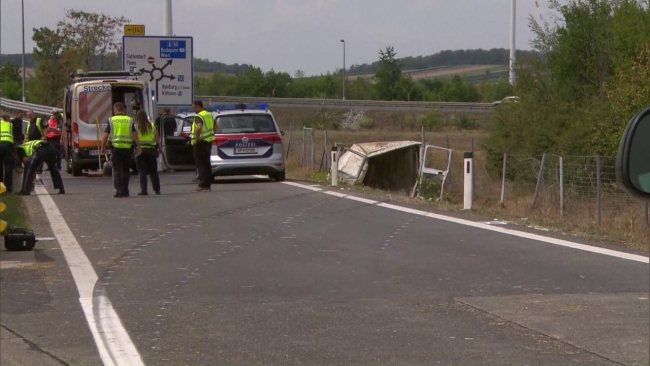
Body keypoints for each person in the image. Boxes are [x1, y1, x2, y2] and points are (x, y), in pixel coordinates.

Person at [101, 102, 142, 198]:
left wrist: (103, 146)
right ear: (123, 110)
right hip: (127, 149)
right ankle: (125, 190)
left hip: (115, 148)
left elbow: (106, 135)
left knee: (117, 170)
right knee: (126, 170)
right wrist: (139, 146)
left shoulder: (111, 120)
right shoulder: (129, 120)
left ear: (115, 110)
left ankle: (119, 190)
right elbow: (134, 135)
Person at [134, 110, 161, 195]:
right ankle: (157, 190)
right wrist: (159, 148)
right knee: (153, 171)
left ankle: (144, 190)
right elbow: (157, 138)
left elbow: (134, 138)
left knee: (142, 171)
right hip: (151, 150)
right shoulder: (153, 126)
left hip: (140, 150)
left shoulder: (136, 126)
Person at [190, 100, 215, 192]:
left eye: (193, 107)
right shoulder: (209, 114)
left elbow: (199, 127)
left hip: (200, 143)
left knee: (200, 165)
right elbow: (216, 126)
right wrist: (212, 135)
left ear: (198, 106)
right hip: (208, 142)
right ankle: (208, 185)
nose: (193, 109)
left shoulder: (199, 116)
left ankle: (202, 185)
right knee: (207, 164)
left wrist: (197, 138)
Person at [0, 114, 15, 194]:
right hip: (8, 145)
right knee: (8, 166)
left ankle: (1, 189)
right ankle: (8, 188)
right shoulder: (10, 125)